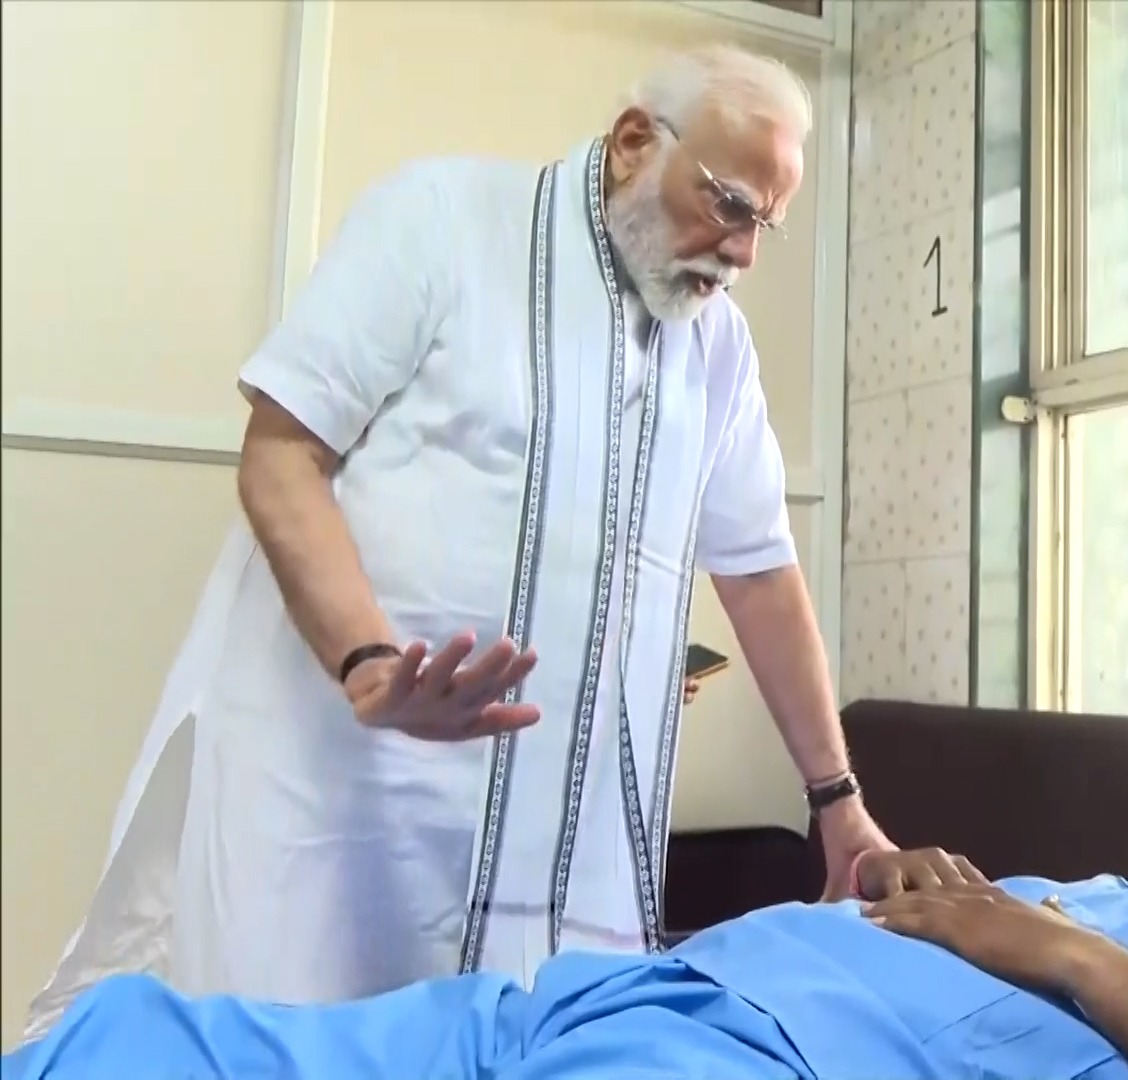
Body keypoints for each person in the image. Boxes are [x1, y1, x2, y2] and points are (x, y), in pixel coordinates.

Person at [22, 45, 893, 1038]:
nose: (742, 253)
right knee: (324, 1043)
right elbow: (280, 451)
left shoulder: (717, 348)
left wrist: (837, 800)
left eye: (763, 224)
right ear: (632, 141)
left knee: (550, 1044)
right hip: (348, 798)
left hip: (574, 839)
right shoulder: (440, 221)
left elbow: (761, 571)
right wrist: (366, 660)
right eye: (730, 203)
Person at [4, 785, 1128, 1080]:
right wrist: (915, 892)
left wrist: (1071, 958)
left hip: (765, 1061)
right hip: (620, 996)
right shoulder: (1082, 885)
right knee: (139, 1043)